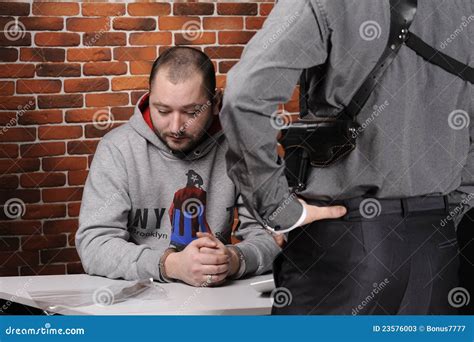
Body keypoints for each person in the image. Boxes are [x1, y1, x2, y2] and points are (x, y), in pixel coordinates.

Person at [220, 0, 473, 314]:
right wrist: (458, 201)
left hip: (344, 248)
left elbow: (244, 100)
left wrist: (279, 209)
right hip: (438, 251)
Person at [76, 46, 281, 287]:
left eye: (191, 112)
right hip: (137, 301)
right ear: (149, 98)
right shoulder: (117, 149)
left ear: (215, 103)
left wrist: (232, 259)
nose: (176, 127)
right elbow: (94, 244)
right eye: (162, 110)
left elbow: (274, 235)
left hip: (218, 300)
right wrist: (170, 265)